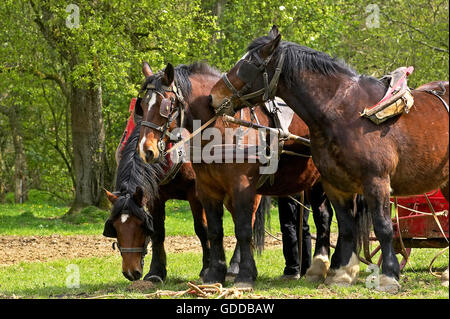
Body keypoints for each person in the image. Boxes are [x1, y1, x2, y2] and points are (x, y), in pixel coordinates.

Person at [278, 194, 312, 280]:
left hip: (289, 187)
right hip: (305, 186)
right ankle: (306, 269)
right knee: (303, 226)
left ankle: (292, 270)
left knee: (288, 225)